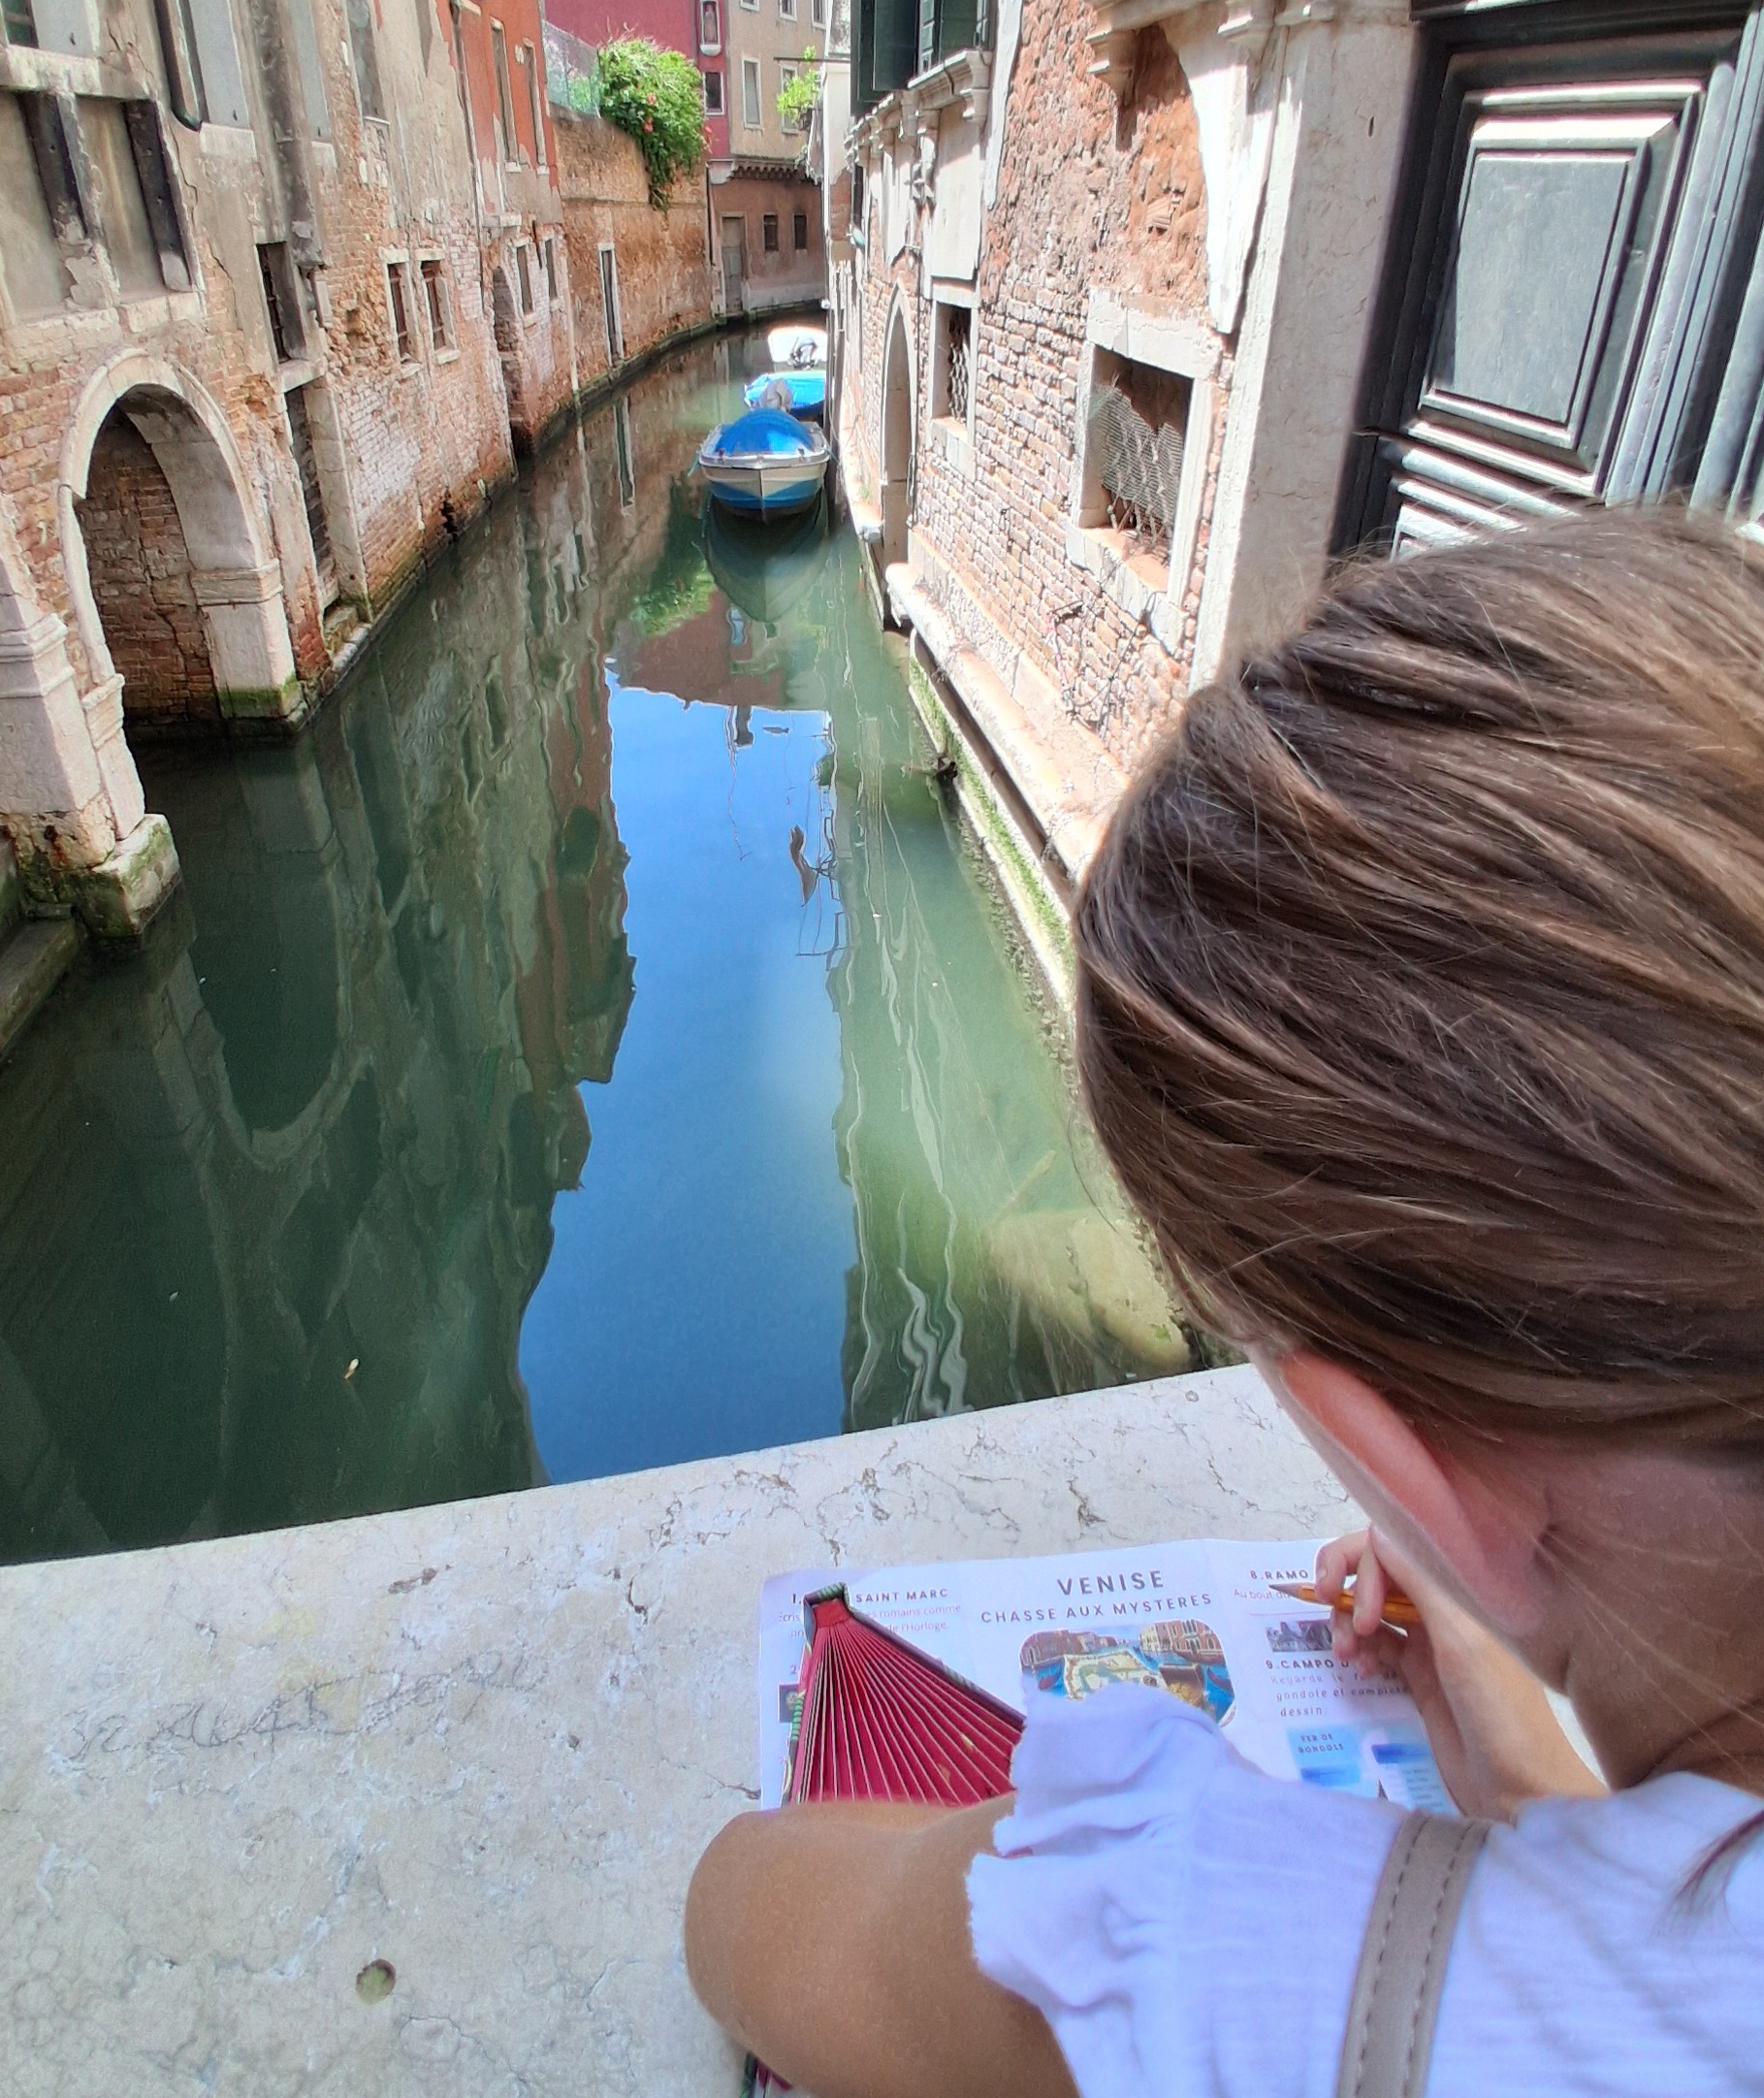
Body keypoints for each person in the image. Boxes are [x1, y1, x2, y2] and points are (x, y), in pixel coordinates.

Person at [684, 506, 1764, 2097]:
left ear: (1396, 1466)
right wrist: (1526, 1759)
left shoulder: (1212, 1951)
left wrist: (1062, 1843)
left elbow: (746, 1908)